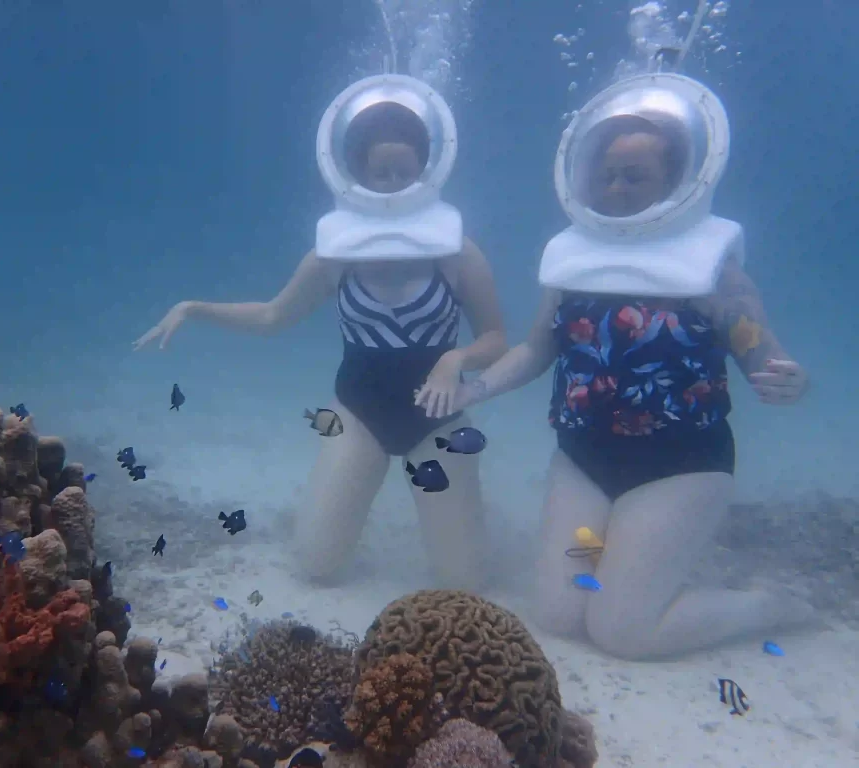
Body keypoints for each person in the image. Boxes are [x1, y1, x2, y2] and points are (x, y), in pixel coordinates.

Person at [446, 78, 812, 660]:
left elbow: (762, 355)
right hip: (584, 460)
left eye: (635, 176)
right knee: (560, 614)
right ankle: (630, 558)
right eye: (607, 174)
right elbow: (538, 349)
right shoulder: (575, 261)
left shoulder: (712, 267)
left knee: (623, 631)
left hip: (682, 467)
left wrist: (789, 380)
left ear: (678, 180)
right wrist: (480, 385)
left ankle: (768, 605)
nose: (615, 188)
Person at [134, 76, 507, 589]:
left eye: (405, 171)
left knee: (463, 582)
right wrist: (195, 307)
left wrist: (454, 360)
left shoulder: (458, 253)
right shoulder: (332, 259)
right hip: (358, 412)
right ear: (356, 174)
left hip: (440, 419)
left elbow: (497, 342)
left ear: (427, 172)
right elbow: (271, 317)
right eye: (382, 173)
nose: (394, 183)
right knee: (317, 564)